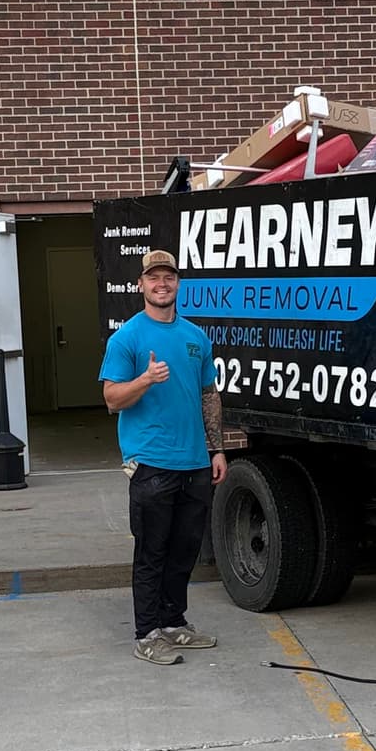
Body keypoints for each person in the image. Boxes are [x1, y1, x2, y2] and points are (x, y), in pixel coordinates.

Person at [100, 249, 228, 664]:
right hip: (151, 461)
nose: (161, 284)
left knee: (184, 548)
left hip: (194, 462)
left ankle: (174, 623)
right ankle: (147, 633)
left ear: (177, 283)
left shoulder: (195, 337)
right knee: (152, 550)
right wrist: (145, 379)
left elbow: (209, 395)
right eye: (153, 278)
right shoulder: (127, 338)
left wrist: (216, 448)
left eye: (168, 277)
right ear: (141, 285)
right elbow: (111, 399)